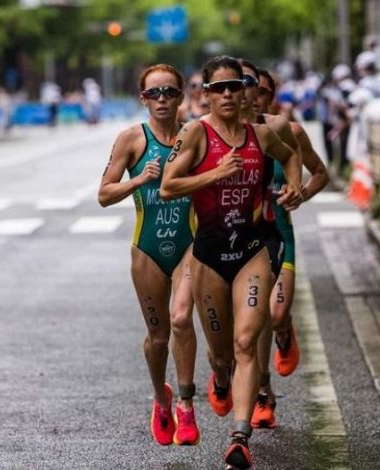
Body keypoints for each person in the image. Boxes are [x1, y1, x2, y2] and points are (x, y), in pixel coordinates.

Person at [160, 55, 302, 470]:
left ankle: (240, 438)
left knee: (245, 342)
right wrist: (215, 175)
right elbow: (169, 186)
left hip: (252, 252)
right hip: (208, 255)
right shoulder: (195, 133)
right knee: (221, 355)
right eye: (218, 88)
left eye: (234, 87)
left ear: (246, 92)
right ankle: (220, 381)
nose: (227, 94)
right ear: (206, 94)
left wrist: (293, 186)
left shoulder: (261, 135)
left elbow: (291, 155)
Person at [97, 64, 200, 447]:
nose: (162, 100)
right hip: (148, 247)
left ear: (180, 97)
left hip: (190, 241)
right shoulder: (132, 139)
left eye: (169, 92)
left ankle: (187, 408)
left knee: (181, 318)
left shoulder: (194, 135)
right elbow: (104, 194)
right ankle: (162, 399)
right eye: (153, 93)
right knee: (157, 338)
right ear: (143, 99)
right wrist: (139, 179)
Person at [251, 67, 329, 429]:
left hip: (279, 235)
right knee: (251, 325)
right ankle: (262, 394)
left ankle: (285, 332)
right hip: (239, 242)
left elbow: (320, 173)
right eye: (246, 87)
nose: (254, 95)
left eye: (262, 90)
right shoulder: (221, 134)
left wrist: (300, 195)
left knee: (276, 315)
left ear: (272, 94)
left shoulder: (289, 132)